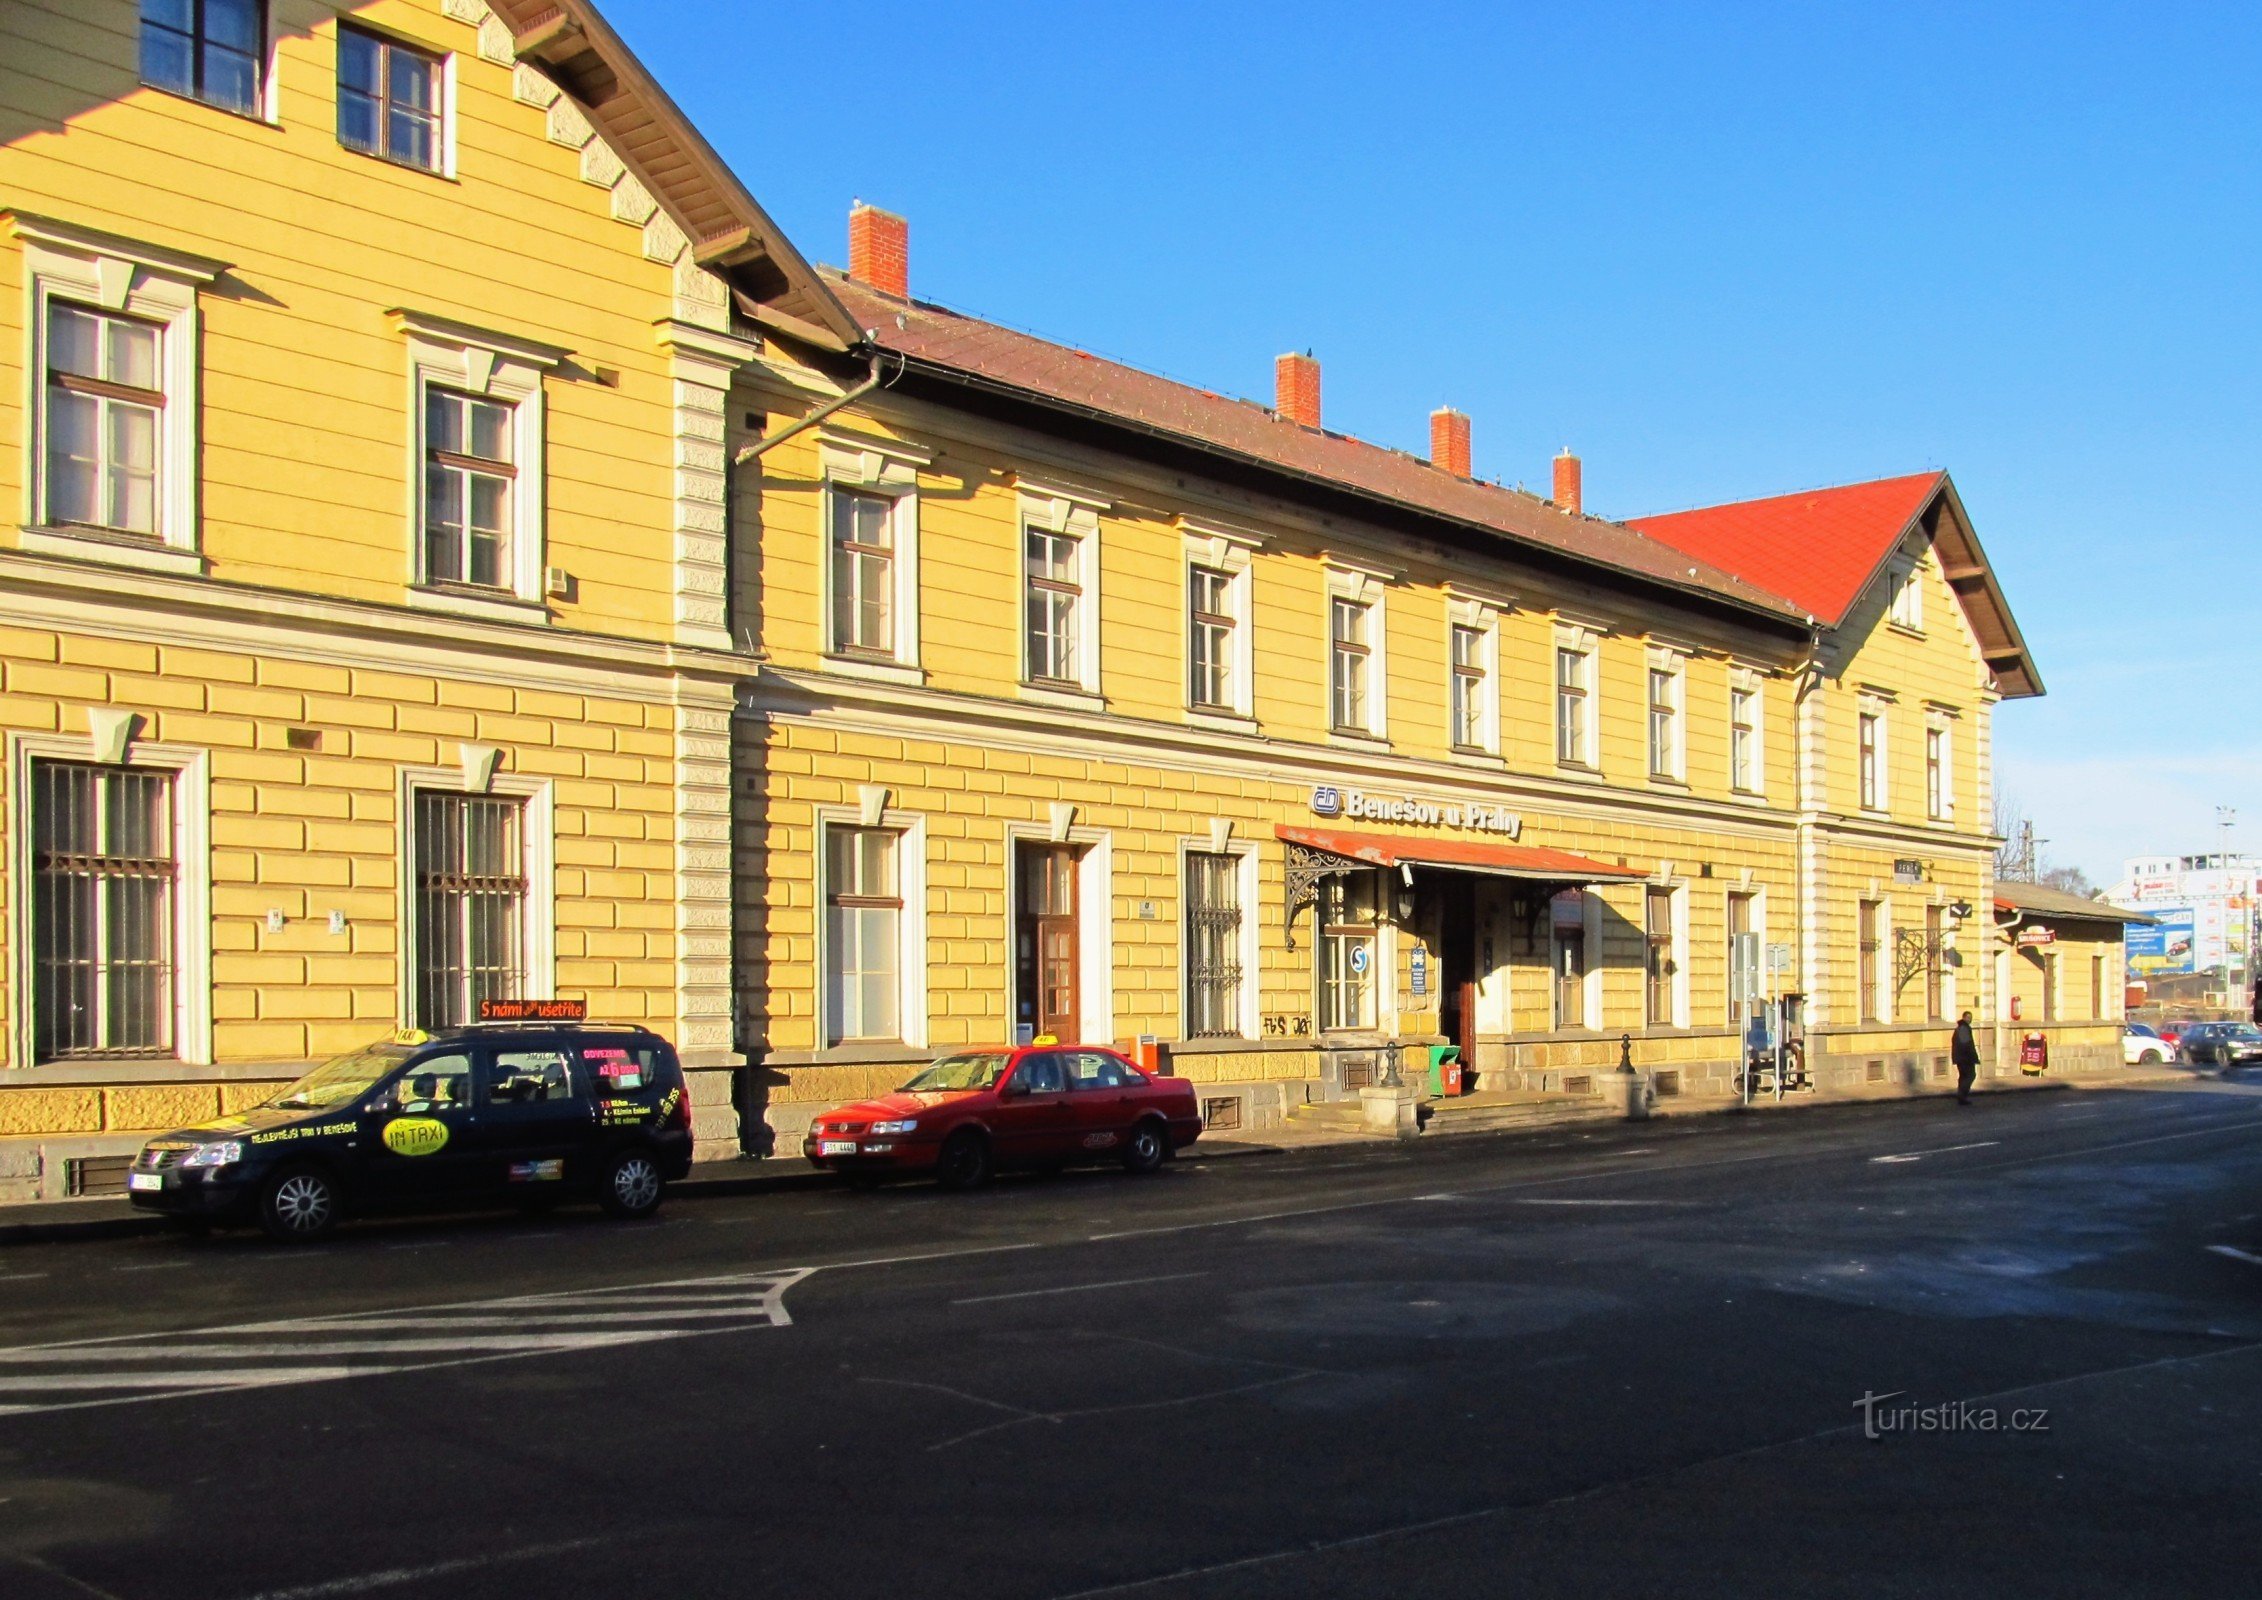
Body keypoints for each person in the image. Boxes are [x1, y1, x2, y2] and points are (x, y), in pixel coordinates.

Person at [1952, 1011, 1981, 1104]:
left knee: (1963, 1076)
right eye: (1968, 1017)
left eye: (1971, 1017)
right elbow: (1966, 1045)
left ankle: (1961, 1096)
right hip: (1965, 1058)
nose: (1970, 1019)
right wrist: (1973, 1057)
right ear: (1964, 1018)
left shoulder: (1962, 1028)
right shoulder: (1963, 1028)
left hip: (1961, 1057)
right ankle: (1962, 1096)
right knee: (1970, 1075)